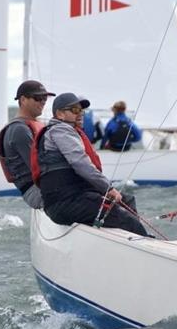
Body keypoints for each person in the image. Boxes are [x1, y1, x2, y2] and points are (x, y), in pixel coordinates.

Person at [31, 92, 148, 236]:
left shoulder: (66, 130)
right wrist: (108, 188)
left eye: (81, 110)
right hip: (65, 203)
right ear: (60, 114)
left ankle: (133, 242)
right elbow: (80, 163)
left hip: (71, 199)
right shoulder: (60, 130)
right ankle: (148, 248)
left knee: (127, 201)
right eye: (74, 110)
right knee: (126, 219)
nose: (80, 114)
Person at [0, 80, 56, 208]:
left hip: (44, 187)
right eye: (38, 97)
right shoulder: (19, 130)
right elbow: (39, 167)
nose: (43, 102)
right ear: (23, 100)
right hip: (34, 191)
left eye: (45, 98)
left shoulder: (31, 125)